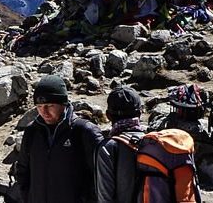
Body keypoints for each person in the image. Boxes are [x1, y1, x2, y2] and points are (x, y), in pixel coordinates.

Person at [13, 75, 102, 203]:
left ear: (63, 103)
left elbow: (101, 177)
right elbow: (22, 171)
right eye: (39, 106)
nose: (44, 112)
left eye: (50, 105)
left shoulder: (84, 131)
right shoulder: (32, 131)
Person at [95, 86, 144, 203]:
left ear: (108, 115)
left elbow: (105, 198)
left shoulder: (108, 148)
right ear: (140, 113)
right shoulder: (154, 142)